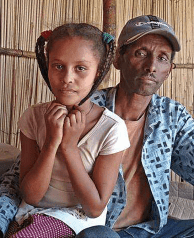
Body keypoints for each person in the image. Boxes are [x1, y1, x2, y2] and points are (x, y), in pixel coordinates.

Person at [0, 15, 194, 238]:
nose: (151, 66)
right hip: (100, 230)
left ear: (170, 69)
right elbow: (17, 180)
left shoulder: (172, 116)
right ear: (117, 59)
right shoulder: (78, 107)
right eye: (141, 53)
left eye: (163, 58)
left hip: (151, 229)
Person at [7, 23, 130, 238]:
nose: (67, 78)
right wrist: (52, 142)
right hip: (33, 216)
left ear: (98, 71)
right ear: (47, 67)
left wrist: (69, 147)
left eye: (80, 68)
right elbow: (32, 196)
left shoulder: (111, 128)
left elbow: (94, 208)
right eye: (58, 66)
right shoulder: (33, 117)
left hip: (80, 221)